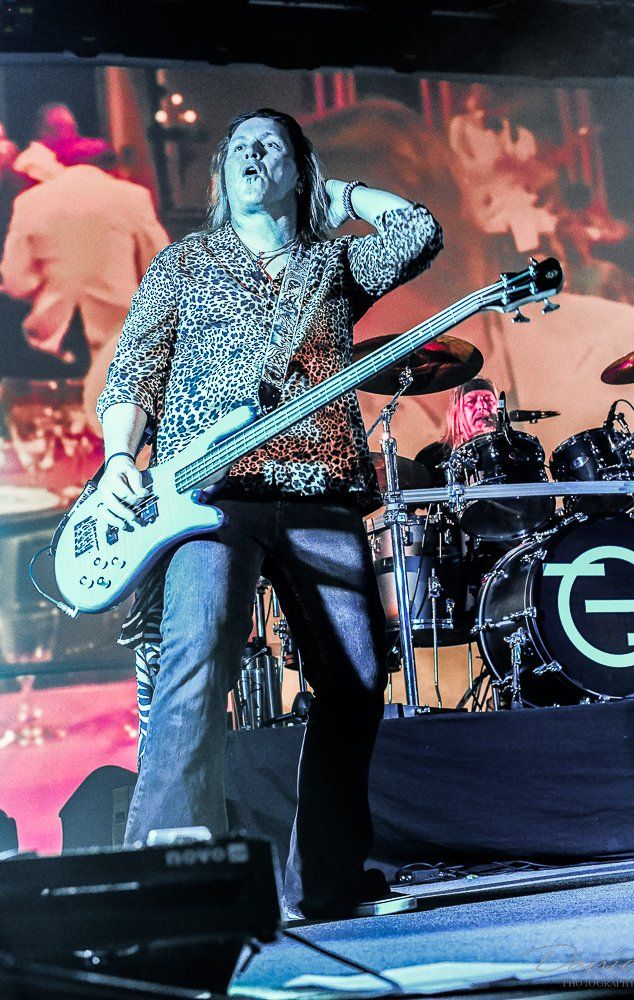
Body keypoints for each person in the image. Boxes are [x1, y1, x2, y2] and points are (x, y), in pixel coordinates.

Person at [93, 107, 442, 919]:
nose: (253, 155)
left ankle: (325, 881)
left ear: (297, 170)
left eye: (272, 147)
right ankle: (167, 882)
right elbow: (135, 368)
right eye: (240, 147)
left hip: (319, 489)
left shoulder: (333, 265)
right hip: (209, 497)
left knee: (356, 678)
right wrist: (118, 457)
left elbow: (418, 232)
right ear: (222, 174)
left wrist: (339, 193)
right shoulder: (185, 262)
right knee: (193, 663)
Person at [0, 142, 168, 431]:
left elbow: (16, 283)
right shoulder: (132, 197)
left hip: (52, 351)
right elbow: (161, 269)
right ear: (112, 168)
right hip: (121, 346)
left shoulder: (30, 201)